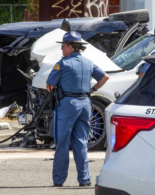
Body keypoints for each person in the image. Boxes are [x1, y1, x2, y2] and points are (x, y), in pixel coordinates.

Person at [46, 31, 109, 187]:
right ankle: (84, 179)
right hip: (85, 103)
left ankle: (59, 180)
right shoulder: (89, 62)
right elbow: (105, 77)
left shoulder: (63, 63)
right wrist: (92, 90)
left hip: (67, 105)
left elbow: (49, 86)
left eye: (63, 46)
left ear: (70, 47)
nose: (61, 49)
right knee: (81, 142)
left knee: (62, 143)